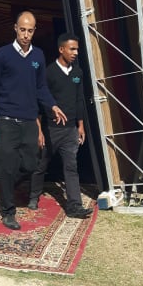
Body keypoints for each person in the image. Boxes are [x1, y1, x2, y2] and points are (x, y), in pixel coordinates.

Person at [0, 11, 67, 230]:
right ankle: (8, 211)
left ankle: (8, 180)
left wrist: (53, 105)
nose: (26, 35)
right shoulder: (2, 55)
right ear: (15, 28)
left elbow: (41, 87)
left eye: (30, 31)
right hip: (7, 120)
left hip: (29, 120)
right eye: (22, 30)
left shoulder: (38, 56)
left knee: (31, 164)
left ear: (34, 31)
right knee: (9, 165)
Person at [28, 32, 94, 219]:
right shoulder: (48, 73)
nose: (75, 53)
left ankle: (74, 207)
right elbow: (38, 102)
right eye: (72, 49)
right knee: (41, 165)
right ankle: (33, 196)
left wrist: (80, 126)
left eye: (77, 50)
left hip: (70, 130)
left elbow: (79, 99)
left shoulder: (77, 73)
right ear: (61, 49)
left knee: (71, 168)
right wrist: (39, 130)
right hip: (51, 129)